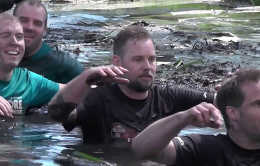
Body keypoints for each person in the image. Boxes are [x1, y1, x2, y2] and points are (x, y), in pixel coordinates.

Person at [48, 25, 217, 144]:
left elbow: (225, 99)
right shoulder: (97, 99)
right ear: (117, 62)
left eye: (151, 59)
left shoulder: (168, 97)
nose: (147, 66)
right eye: (138, 59)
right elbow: (57, 114)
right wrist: (85, 78)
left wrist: (238, 82)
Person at [132, 68, 260, 166]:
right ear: (233, 113)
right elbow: (142, 148)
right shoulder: (206, 150)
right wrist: (182, 118)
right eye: (258, 104)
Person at [0, 12, 128, 119]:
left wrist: (95, 79)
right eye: (6, 35)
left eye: (19, 37)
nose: (14, 42)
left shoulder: (30, 82)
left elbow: (68, 92)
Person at [0, 0, 83, 83]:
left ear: (44, 29)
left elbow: (91, 88)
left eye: (37, 23)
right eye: (23, 20)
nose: (29, 27)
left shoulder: (60, 63)